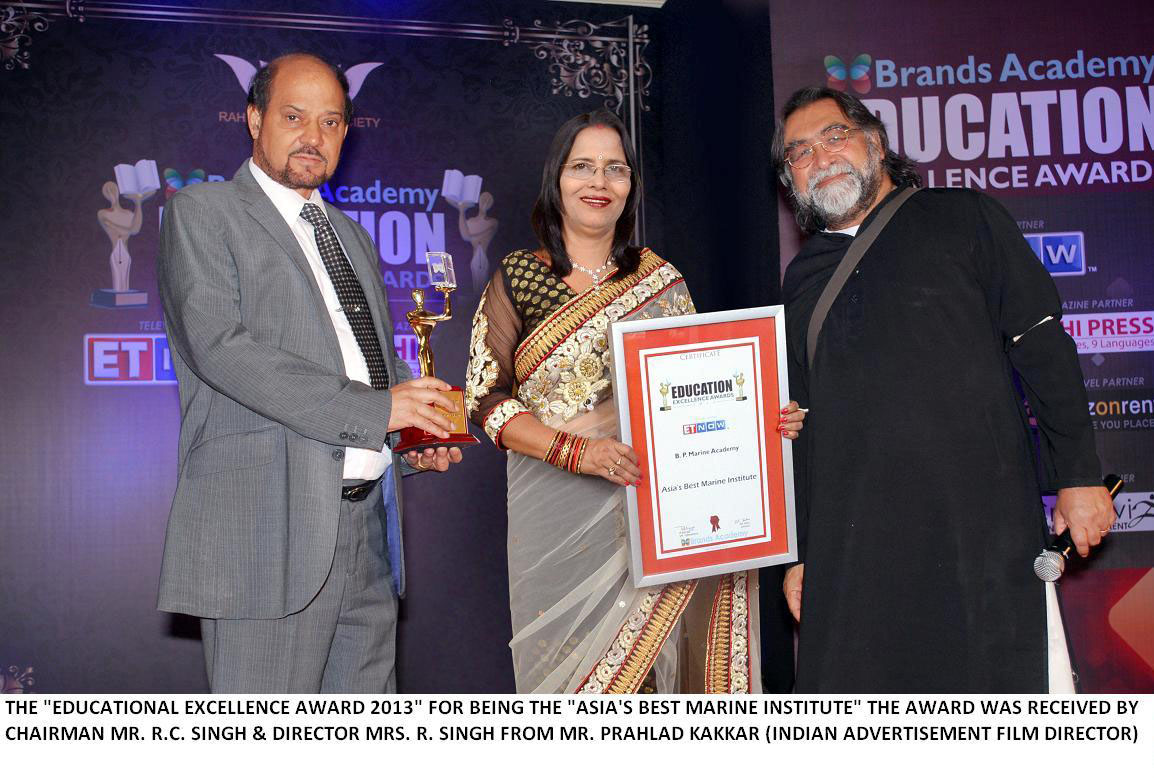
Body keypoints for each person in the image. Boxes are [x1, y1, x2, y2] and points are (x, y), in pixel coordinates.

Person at [773, 86, 1114, 692]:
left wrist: (1079, 475)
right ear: (790, 178)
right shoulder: (803, 276)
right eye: (800, 152)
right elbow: (802, 428)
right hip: (855, 550)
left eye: (834, 136)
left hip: (978, 529)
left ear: (875, 143)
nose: (820, 158)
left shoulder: (963, 217)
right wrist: (802, 553)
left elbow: (1042, 346)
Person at [464, 110, 804, 692]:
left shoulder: (658, 277)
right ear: (556, 179)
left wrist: (760, 420)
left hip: (660, 520)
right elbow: (483, 399)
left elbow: (702, 390)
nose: (599, 182)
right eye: (582, 166)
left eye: (615, 169)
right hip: (561, 526)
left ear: (630, 185)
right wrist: (578, 452)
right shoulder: (518, 277)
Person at [156, 53, 463, 693]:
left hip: (368, 538)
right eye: (294, 117)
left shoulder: (351, 236)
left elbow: (369, 364)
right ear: (254, 119)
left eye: (330, 122)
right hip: (267, 532)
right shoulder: (203, 212)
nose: (313, 137)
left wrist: (407, 437)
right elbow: (221, 348)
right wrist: (377, 411)